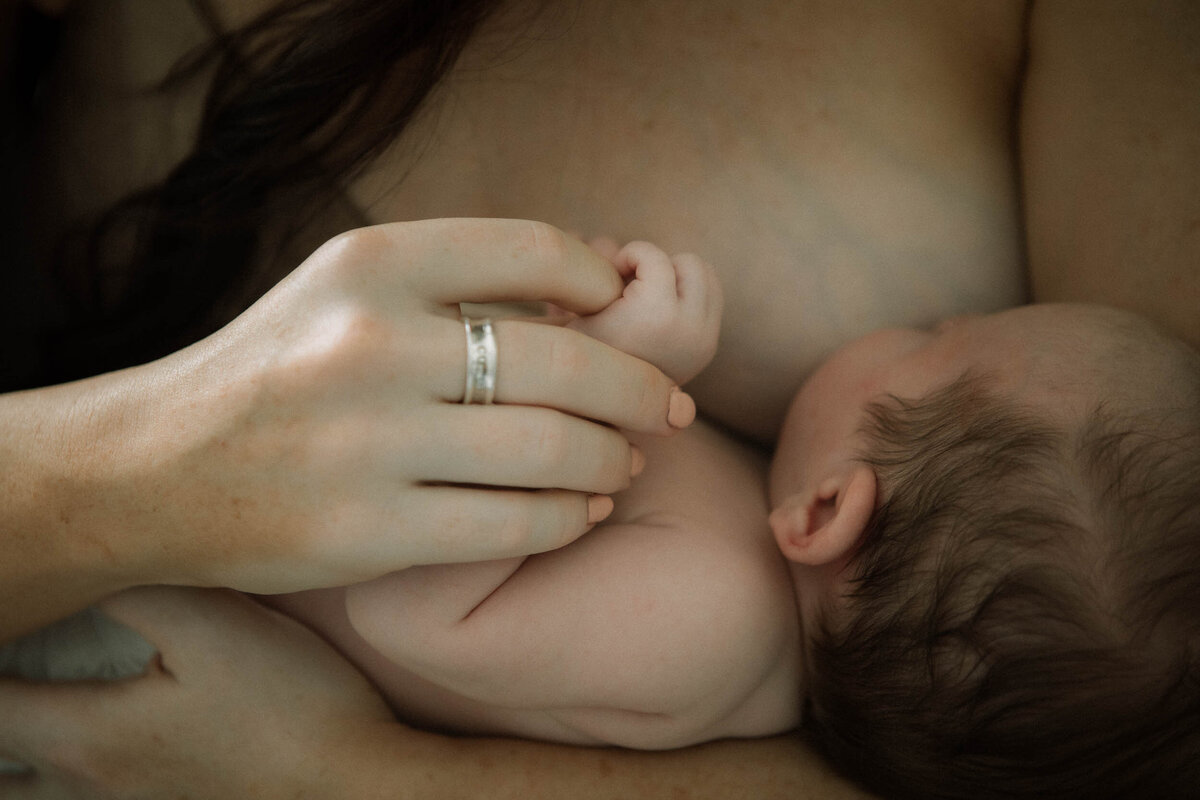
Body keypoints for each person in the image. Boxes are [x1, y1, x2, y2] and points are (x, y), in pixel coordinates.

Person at [1, 0, 1198, 798]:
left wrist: (620, 386)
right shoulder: (729, 559)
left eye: (941, 337)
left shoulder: (710, 623)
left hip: (167, 647)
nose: (920, 324)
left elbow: (421, 618)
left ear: (830, 507)